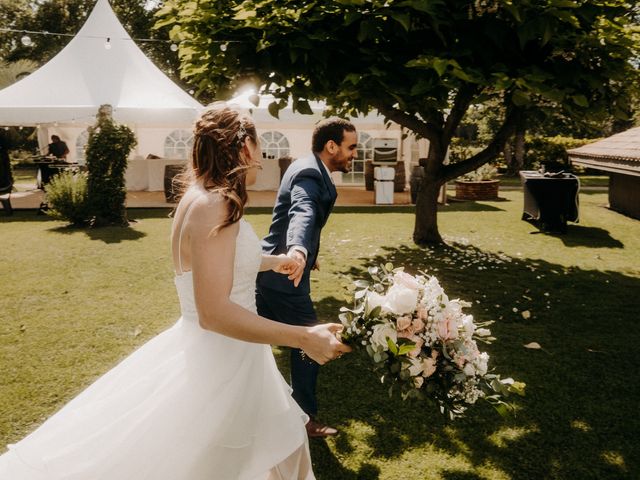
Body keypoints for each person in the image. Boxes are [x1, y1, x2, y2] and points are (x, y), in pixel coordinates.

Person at [0, 103, 351, 479]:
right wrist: (303, 337)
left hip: (237, 355)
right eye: (259, 147)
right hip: (221, 359)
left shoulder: (200, 195)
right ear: (243, 147)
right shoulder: (217, 205)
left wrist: (271, 260)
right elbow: (213, 312)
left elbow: (215, 262)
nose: (262, 160)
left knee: (281, 450)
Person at [256, 118, 358, 438]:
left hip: (271, 270)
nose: (354, 153)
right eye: (351, 147)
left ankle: (257, 406)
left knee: (249, 341)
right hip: (285, 275)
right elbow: (303, 212)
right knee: (310, 343)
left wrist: (308, 255)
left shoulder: (304, 164)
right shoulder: (310, 173)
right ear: (332, 146)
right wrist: (299, 251)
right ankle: (304, 419)